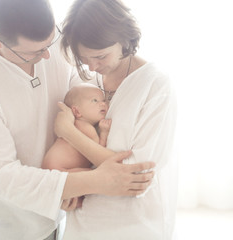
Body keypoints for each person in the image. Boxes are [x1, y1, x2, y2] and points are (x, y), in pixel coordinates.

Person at [0, 0, 156, 240]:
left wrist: (75, 175)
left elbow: (79, 91)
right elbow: (3, 175)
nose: (48, 55)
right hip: (6, 221)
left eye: (50, 43)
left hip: (57, 210)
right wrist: (92, 181)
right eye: (35, 52)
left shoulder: (49, 41)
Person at [56, 0, 178, 239]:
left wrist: (68, 132)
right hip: (82, 223)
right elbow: (67, 159)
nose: (92, 66)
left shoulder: (155, 85)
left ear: (123, 39)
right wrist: (66, 189)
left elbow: (136, 176)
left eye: (100, 56)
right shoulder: (86, 84)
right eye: (84, 58)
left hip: (135, 225)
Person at [42, 83, 111, 172]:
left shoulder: (77, 125)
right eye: (95, 100)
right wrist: (104, 132)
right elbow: (99, 152)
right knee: (98, 173)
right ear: (77, 111)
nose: (102, 104)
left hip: (51, 168)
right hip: (58, 170)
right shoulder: (84, 127)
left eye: (104, 100)